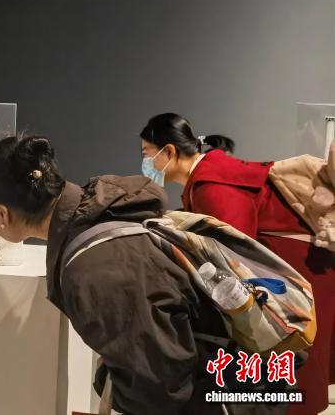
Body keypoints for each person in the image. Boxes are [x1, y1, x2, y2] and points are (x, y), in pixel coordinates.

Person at [0, 135, 283, 415]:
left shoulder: (92, 269)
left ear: (2, 214)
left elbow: (158, 388)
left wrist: (107, 379)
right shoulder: (102, 209)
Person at [140, 112, 335, 415]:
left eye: (146, 153)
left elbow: (233, 251)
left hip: (292, 272)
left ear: (169, 151)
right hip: (299, 266)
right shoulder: (207, 179)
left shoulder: (211, 185)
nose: (145, 162)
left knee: (293, 356)